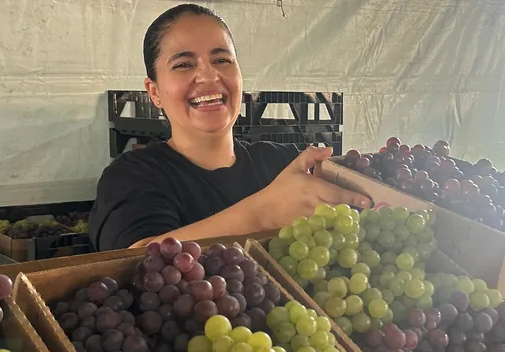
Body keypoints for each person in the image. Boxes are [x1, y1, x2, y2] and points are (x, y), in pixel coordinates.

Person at [89, 4, 370, 251]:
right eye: (184, 64)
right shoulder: (132, 176)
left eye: (221, 60)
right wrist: (263, 214)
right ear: (155, 93)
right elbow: (133, 263)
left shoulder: (283, 162)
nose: (209, 75)